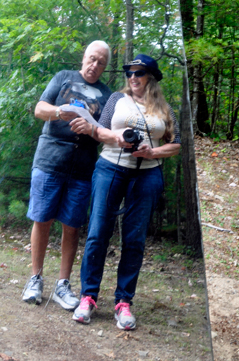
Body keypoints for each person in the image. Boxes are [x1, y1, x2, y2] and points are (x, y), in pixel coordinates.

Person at [69, 53, 181, 330]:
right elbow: (97, 131)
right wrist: (117, 138)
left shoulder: (164, 108)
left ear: (151, 77)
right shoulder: (116, 101)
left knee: (134, 239)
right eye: (129, 73)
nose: (133, 78)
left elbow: (176, 144)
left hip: (147, 174)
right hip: (110, 169)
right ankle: (88, 297)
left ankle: (124, 302)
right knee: (97, 233)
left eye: (139, 73)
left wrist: (152, 150)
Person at [22, 41, 112, 310]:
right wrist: (61, 111)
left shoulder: (107, 95)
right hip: (50, 160)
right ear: (83, 57)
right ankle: (35, 279)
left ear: (105, 67)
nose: (94, 65)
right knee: (42, 218)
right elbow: (39, 109)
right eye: (92, 59)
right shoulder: (63, 78)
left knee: (72, 225)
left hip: (83, 167)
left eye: (101, 62)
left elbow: (106, 133)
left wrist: (92, 129)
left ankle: (63, 285)